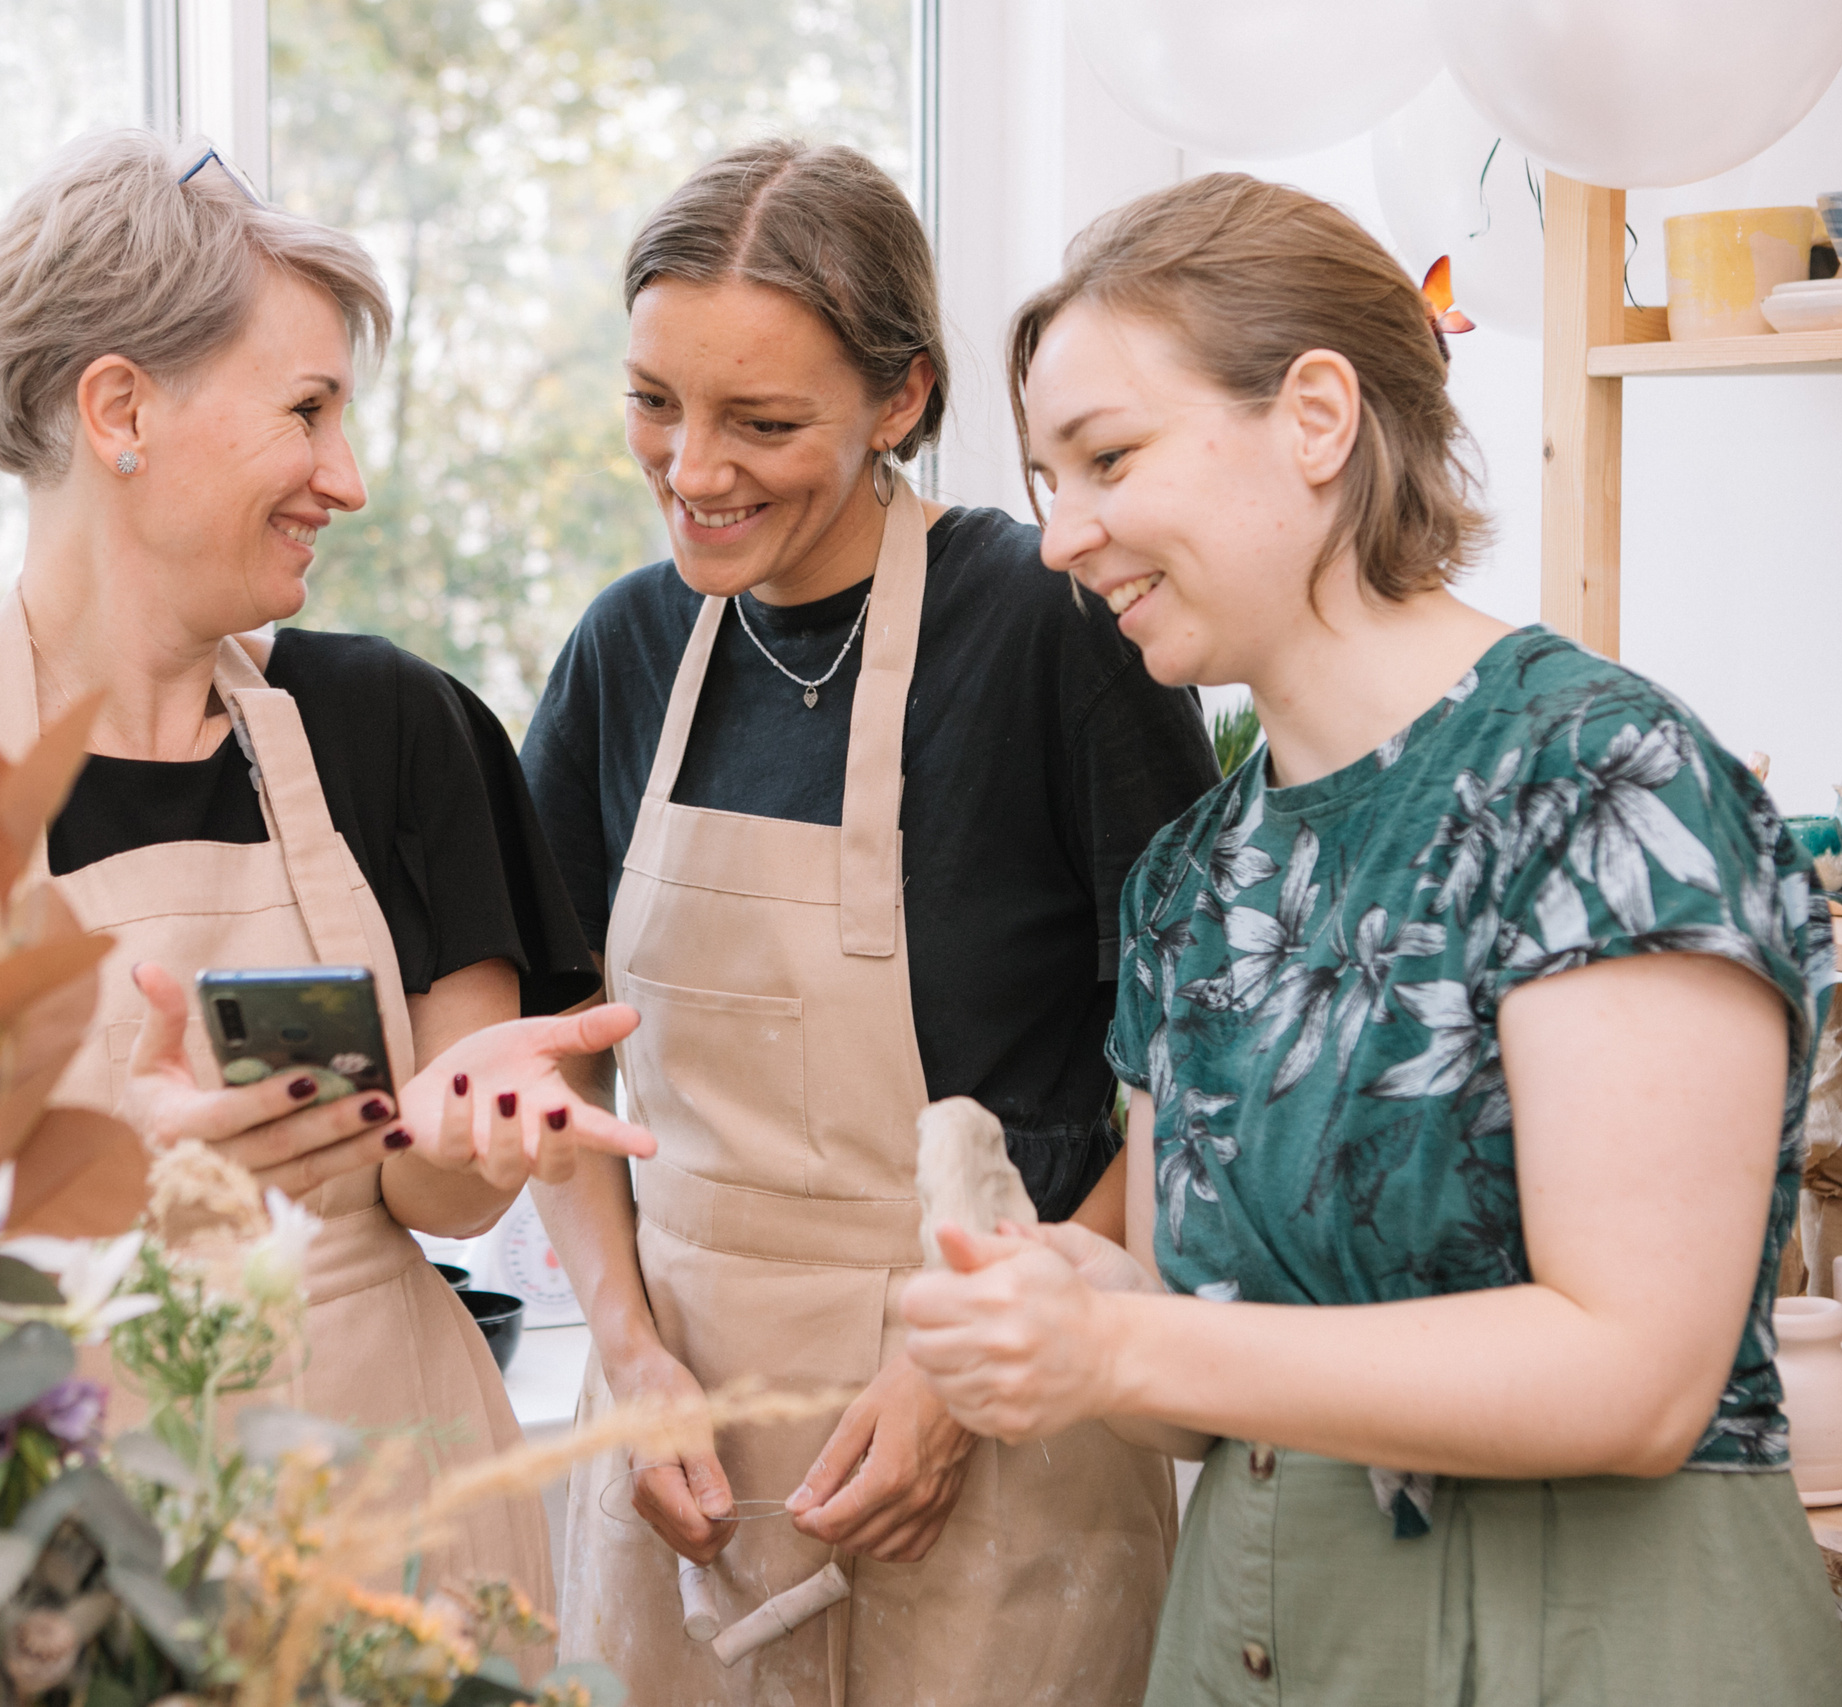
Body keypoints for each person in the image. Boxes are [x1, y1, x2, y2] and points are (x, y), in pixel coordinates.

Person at [896, 173, 1842, 1706]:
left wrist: (1126, 1352)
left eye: (1108, 459)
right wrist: (1048, 1304)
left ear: (1318, 417)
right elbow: (1190, 1401)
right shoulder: (1194, 882)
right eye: (1043, 479)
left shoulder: (1600, 783)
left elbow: (1638, 1377)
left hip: (1584, 1643)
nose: (1062, 537)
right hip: (1257, 1638)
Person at [0, 131, 653, 1622]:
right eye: (309, 411)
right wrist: (132, 1202)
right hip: (66, 1572)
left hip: (405, 1526)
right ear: (119, 409)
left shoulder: (394, 727)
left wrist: (468, 1129)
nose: (351, 478)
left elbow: (435, 1198)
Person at [519, 139, 1217, 1704]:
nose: (692, 469)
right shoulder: (628, 649)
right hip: (679, 1426)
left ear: (900, 400)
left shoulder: (1049, 625)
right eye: (654, 402)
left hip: (998, 1402)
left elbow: (1182, 1076)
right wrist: (628, 1362)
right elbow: (541, 1059)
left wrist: (959, 1372)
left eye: (761, 421)